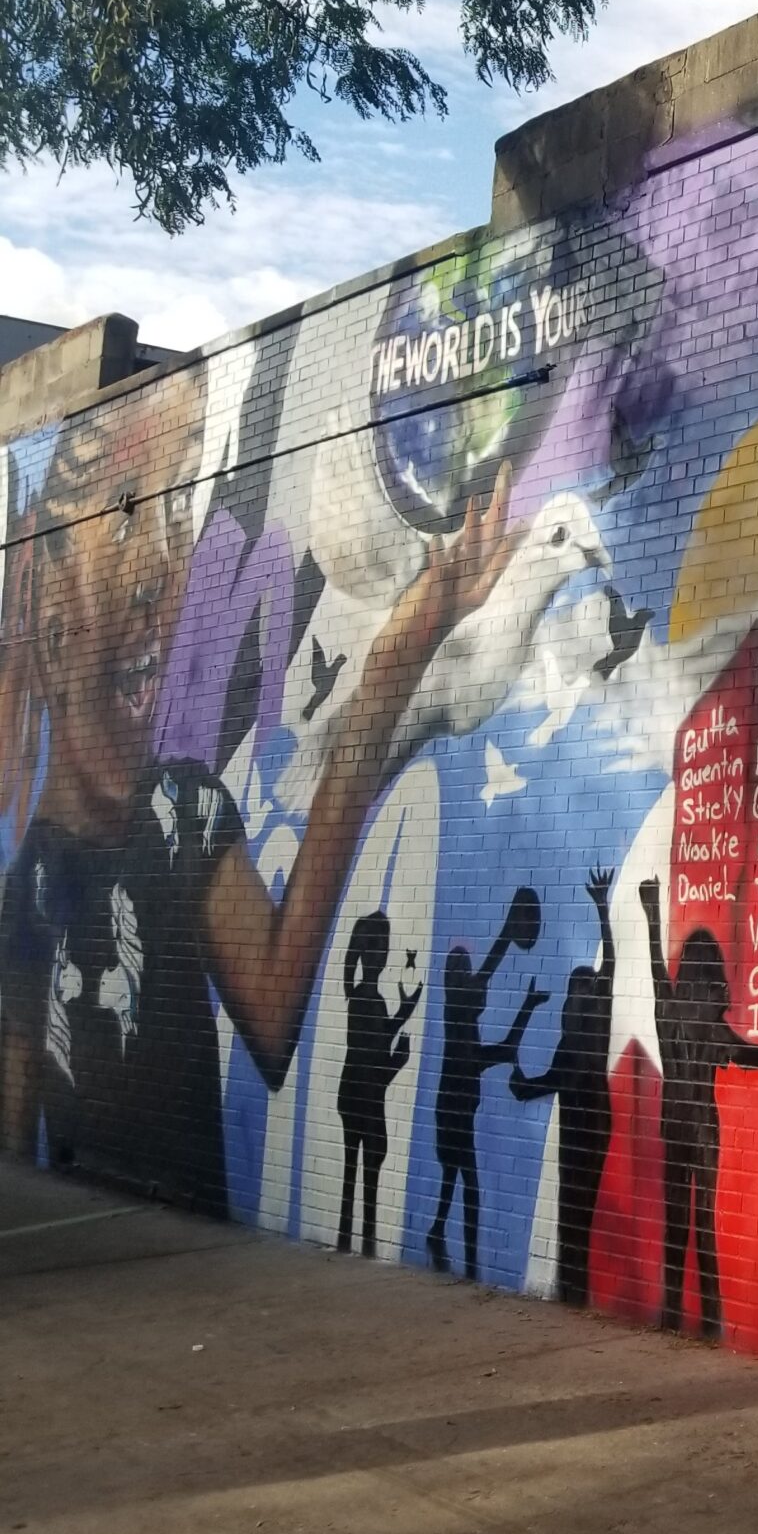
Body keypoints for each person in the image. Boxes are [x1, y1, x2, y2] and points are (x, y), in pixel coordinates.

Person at [0, 381, 519, 1215]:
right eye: (138, 509)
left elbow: (275, 1012)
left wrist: (404, 647)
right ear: (51, 603)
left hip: (197, 1282)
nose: (163, 571)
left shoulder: (184, 816)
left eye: (181, 510)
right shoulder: (24, 901)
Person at [642, 880, 758, 1337]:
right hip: (703, 1130)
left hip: (674, 1128)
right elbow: (753, 1055)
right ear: (706, 983)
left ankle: (672, 1312)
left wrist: (649, 912)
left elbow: (657, 969)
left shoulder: (669, 1012)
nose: (725, 991)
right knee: (704, 1225)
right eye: (718, 981)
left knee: (676, 1226)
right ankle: (713, 1316)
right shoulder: (711, 1033)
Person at [509, 867, 620, 1308]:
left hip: (589, 1127)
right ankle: (573, 1287)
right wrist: (524, 1084)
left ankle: (575, 1288)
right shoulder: (571, 1040)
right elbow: (548, 1083)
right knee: (575, 1209)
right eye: (580, 989)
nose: (581, 995)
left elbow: (609, 960)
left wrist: (600, 906)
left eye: (584, 989)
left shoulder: (587, 1032)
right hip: (583, 1127)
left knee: (578, 1208)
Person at [427, 887, 546, 1279]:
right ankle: (474, 1263)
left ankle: (437, 1231)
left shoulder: (465, 1028)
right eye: (462, 971)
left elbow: (506, 1047)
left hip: (456, 1109)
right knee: (471, 1185)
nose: (471, 978)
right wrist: (506, 934)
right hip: (453, 1111)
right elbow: (482, 983)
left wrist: (528, 1006)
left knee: (450, 1179)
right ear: (454, 982)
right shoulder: (457, 1016)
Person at [335, 912, 421, 1257]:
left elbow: (375, 1040)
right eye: (378, 946)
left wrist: (404, 1012)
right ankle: (366, 1241)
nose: (382, 953)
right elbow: (374, 1063)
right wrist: (398, 1061)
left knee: (353, 1172)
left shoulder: (363, 997)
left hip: (353, 1092)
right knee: (367, 1171)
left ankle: (350, 1238)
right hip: (365, 1096)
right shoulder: (367, 999)